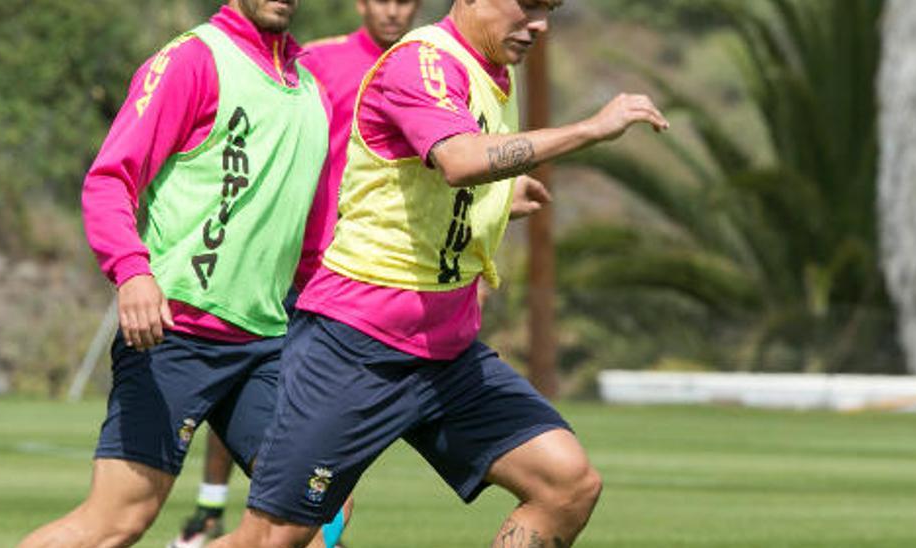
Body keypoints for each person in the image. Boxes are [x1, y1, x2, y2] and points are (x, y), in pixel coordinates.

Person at [210, 0, 668, 546]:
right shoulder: (421, 60)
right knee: (275, 539)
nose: (540, 25)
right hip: (355, 345)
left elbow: (448, 174)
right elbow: (461, 161)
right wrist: (591, 129)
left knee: (566, 485)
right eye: (528, 6)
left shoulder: (495, 69)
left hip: (445, 349)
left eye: (549, 10)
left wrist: (501, 196)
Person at [17, 1, 338, 546]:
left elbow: (315, 242)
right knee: (117, 522)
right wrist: (131, 271)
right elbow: (109, 180)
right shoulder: (193, 60)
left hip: (268, 343)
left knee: (313, 512)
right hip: (175, 332)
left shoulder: (312, 92)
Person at [169, 2, 423, 547]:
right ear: (361, 3)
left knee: (318, 474)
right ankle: (211, 509)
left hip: (347, 285)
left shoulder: (427, 72)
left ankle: (238, 522)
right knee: (265, 426)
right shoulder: (317, 65)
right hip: (277, 276)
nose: (395, 9)